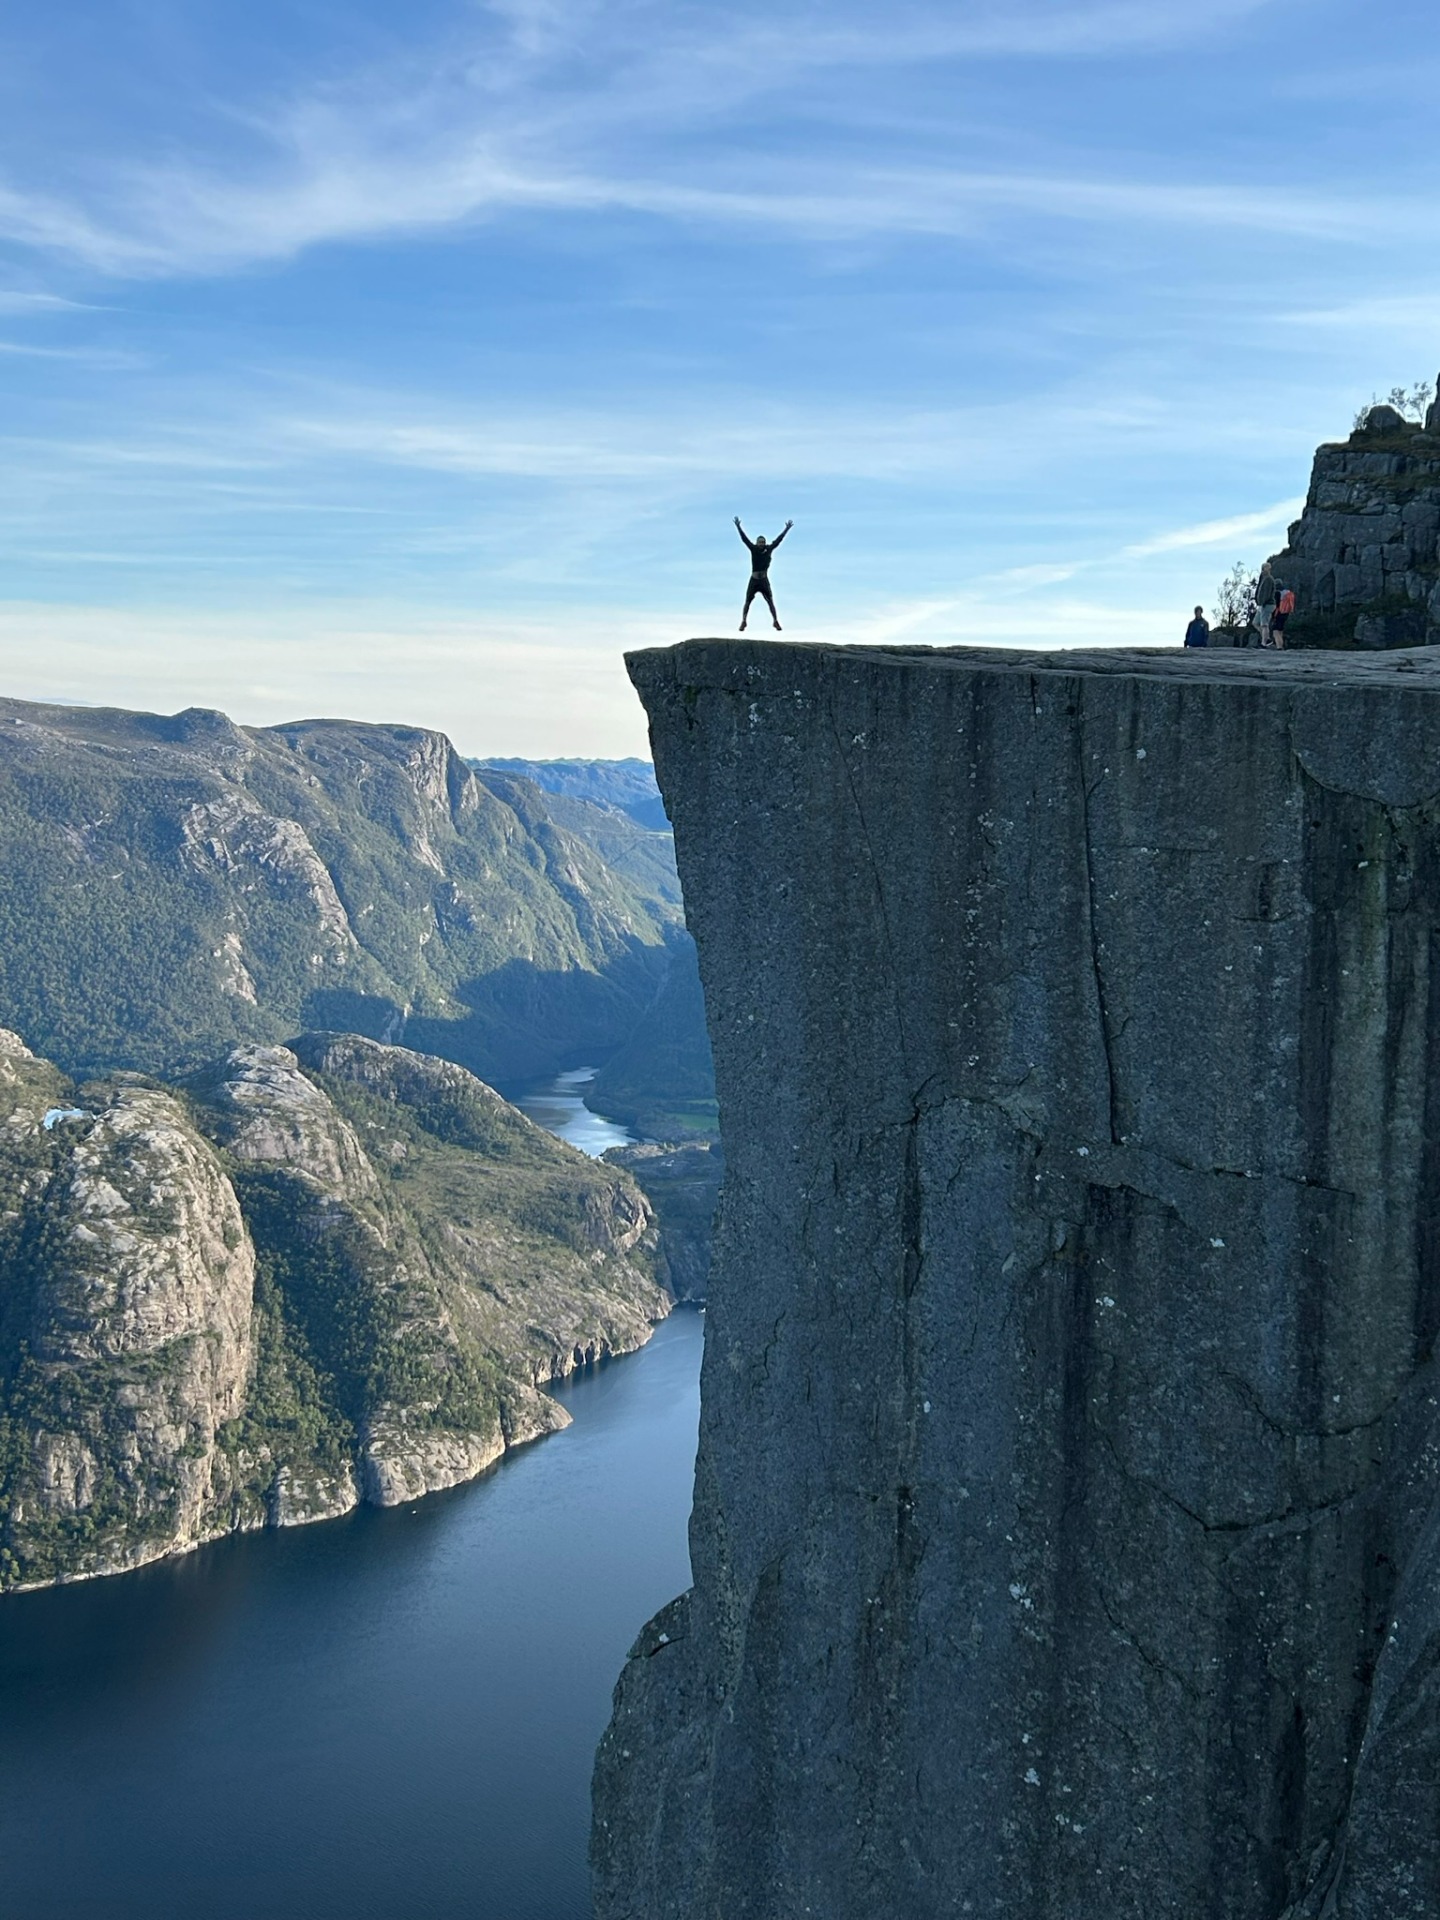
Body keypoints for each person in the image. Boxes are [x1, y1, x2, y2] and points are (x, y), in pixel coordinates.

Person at [735, 517, 793, 631]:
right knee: (747, 601)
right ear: (757, 543)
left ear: (764, 543)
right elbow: (744, 539)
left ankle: (775, 621)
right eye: (759, 542)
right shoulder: (753, 549)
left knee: (770, 601)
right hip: (754, 580)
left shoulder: (769, 549)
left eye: (763, 542)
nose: (761, 544)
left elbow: (778, 540)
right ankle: (744, 621)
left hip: (764, 581)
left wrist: (786, 529)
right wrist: (738, 527)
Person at [1253, 561, 1277, 646]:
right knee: (1255, 623)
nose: (1263, 570)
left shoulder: (1269, 579)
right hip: (1262, 604)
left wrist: (1262, 602)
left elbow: (1267, 593)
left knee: (1264, 624)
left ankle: (1264, 643)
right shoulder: (1263, 578)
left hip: (1267, 604)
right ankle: (1267, 638)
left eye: (1266, 568)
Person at [1270, 585, 1295, 649]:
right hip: (1286, 612)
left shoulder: (1278, 593)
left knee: (1275, 630)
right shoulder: (1288, 593)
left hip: (1279, 613)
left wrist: (1273, 615)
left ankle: (1279, 646)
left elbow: (1276, 605)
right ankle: (1281, 645)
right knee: (1280, 630)